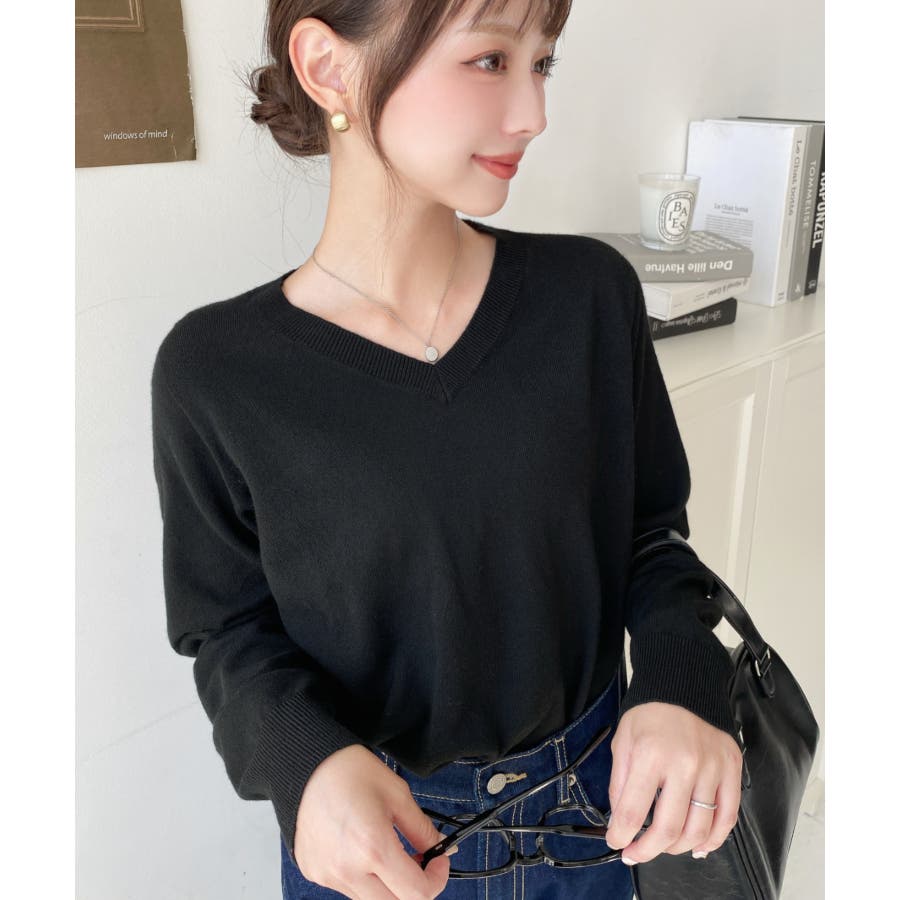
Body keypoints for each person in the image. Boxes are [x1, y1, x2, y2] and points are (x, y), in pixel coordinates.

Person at [150, 1, 744, 897]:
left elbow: (649, 539)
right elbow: (227, 627)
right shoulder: (219, 371)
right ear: (329, 66)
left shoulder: (588, 298)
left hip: (597, 818)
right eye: (490, 61)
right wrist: (306, 763)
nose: (534, 113)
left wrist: (679, 679)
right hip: (375, 847)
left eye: (542, 63)